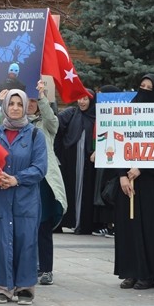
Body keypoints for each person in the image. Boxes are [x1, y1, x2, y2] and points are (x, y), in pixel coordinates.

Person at [0, 89, 48, 305]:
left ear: (25, 107)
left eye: (19, 104)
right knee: (2, 241)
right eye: (11, 103)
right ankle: (4, 287)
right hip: (0, 197)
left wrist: (16, 179)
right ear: (5, 107)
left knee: (26, 242)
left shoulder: (35, 135)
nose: (14, 108)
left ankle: (25, 287)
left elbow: (40, 168)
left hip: (25, 199)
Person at [114, 75, 154, 290]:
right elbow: (116, 144)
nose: (144, 91)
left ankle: (148, 273)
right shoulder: (128, 112)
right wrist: (121, 174)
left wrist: (142, 167)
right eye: (142, 86)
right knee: (128, 226)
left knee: (148, 229)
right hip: (127, 181)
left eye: (149, 88)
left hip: (149, 183)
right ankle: (130, 271)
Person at [27, 78, 67, 286]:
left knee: (42, 225)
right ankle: (28, 265)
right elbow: (0, 126)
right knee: (26, 225)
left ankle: (46, 269)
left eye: (34, 101)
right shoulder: (18, 124)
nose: (31, 103)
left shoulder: (46, 125)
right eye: (29, 100)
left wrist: (42, 96)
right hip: (24, 180)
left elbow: (53, 121)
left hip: (43, 181)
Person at [55, 88, 98, 234]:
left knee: (85, 191)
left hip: (89, 162)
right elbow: (56, 125)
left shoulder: (97, 117)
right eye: (80, 98)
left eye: (85, 99)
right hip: (71, 161)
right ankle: (67, 221)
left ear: (92, 101)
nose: (82, 102)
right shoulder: (71, 113)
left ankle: (82, 224)